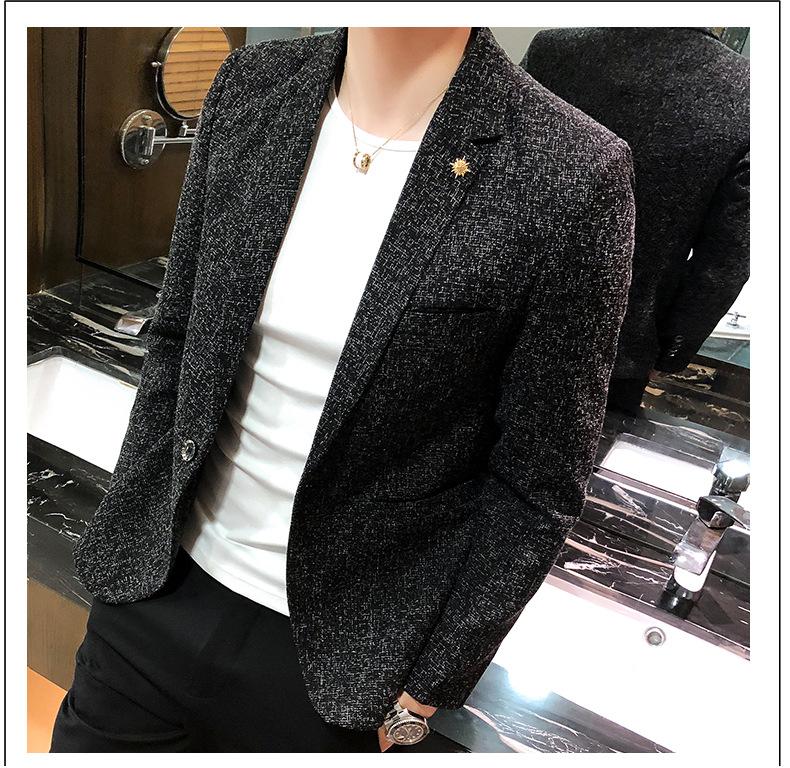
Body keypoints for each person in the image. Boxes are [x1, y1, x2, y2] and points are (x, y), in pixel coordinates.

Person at [51, 26, 635, 752]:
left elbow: (537, 480)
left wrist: (426, 692)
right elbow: (178, 334)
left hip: (342, 666)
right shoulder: (253, 85)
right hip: (158, 591)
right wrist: (130, 527)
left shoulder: (569, 168)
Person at [523, 27, 750, 416]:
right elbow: (725, 261)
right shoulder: (753, 94)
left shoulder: (552, 49)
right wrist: (669, 350)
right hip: (617, 347)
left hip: (491, 314)